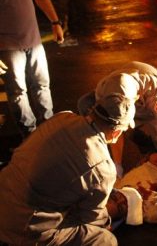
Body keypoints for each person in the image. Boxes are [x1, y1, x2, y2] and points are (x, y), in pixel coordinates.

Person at [0, 92, 136, 245]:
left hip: (4, 194)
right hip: (22, 230)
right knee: (106, 239)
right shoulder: (103, 168)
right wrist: (109, 215)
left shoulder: (62, 117)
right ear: (117, 132)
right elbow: (88, 219)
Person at [78, 61, 157, 218]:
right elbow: (114, 129)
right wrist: (117, 164)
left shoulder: (156, 96)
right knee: (87, 106)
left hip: (147, 103)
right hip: (124, 101)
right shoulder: (104, 92)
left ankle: (146, 146)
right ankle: (136, 139)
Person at [0, 0, 64, 138]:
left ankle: (50, 128)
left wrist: (55, 22)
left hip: (33, 41)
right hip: (7, 45)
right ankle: (30, 136)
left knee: (42, 85)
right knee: (18, 92)